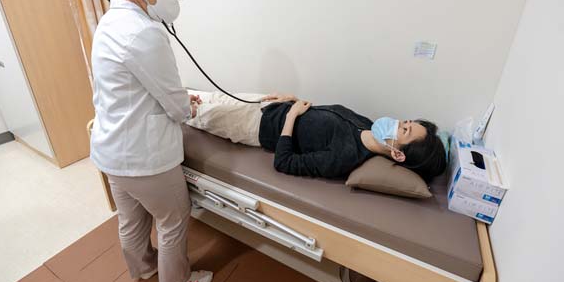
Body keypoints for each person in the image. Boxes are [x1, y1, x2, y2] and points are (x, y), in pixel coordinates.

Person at [90, 0, 212, 282]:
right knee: (174, 218)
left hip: (110, 151)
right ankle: (177, 280)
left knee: (130, 219)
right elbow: (176, 105)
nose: (174, 3)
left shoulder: (110, 21)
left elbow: (132, 84)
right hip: (145, 159)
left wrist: (177, 99)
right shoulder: (144, 32)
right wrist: (187, 106)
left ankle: (143, 268)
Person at [187, 91, 447, 182]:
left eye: (404, 130)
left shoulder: (345, 158)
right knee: (201, 95)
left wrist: (291, 117)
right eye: (406, 122)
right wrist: (292, 100)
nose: (399, 123)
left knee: (189, 111)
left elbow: (284, 162)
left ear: (397, 153)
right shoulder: (366, 125)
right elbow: (319, 118)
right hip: (269, 104)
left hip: (255, 126)